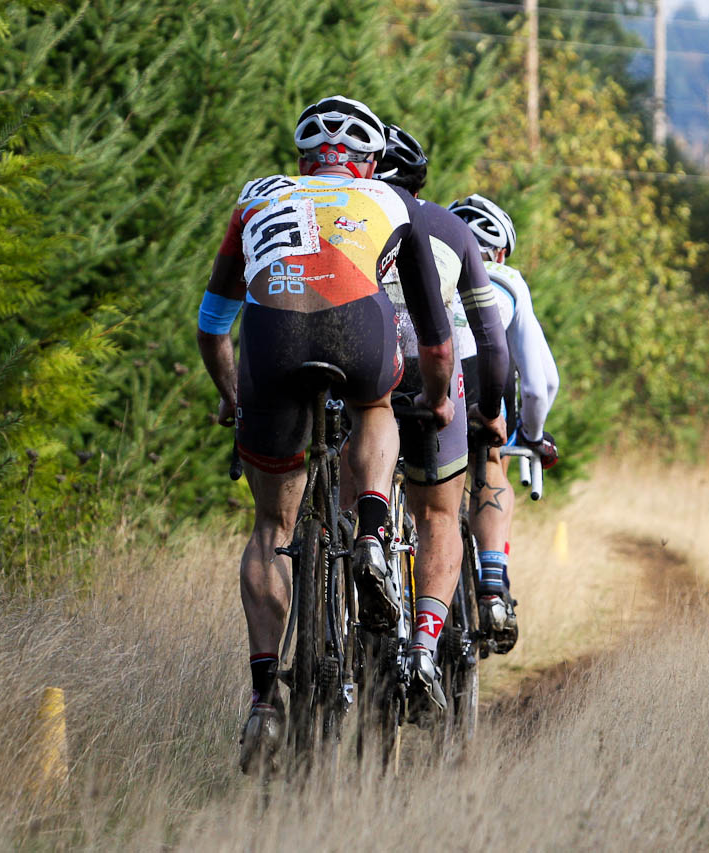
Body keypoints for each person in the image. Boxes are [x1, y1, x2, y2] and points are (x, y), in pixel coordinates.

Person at [195, 96, 455, 772]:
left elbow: (211, 324)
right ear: (370, 162)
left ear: (302, 159)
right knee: (377, 409)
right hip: (356, 331)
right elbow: (435, 339)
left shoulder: (257, 197)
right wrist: (437, 401)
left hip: (270, 346)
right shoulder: (390, 203)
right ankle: (371, 533)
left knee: (270, 529)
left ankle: (261, 703)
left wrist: (232, 397)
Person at [374, 125, 509, 719]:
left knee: (356, 502)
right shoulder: (450, 229)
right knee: (435, 516)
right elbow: (493, 345)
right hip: (432, 385)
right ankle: (426, 647)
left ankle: (360, 560)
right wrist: (490, 410)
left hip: (357, 381)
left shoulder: (340, 217)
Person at [448, 194, 559, 653]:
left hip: (415, 380)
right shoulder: (508, 279)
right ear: (502, 252)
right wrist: (530, 436)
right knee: (490, 459)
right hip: (477, 387)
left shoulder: (427, 263)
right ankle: (492, 587)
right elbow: (539, 383)